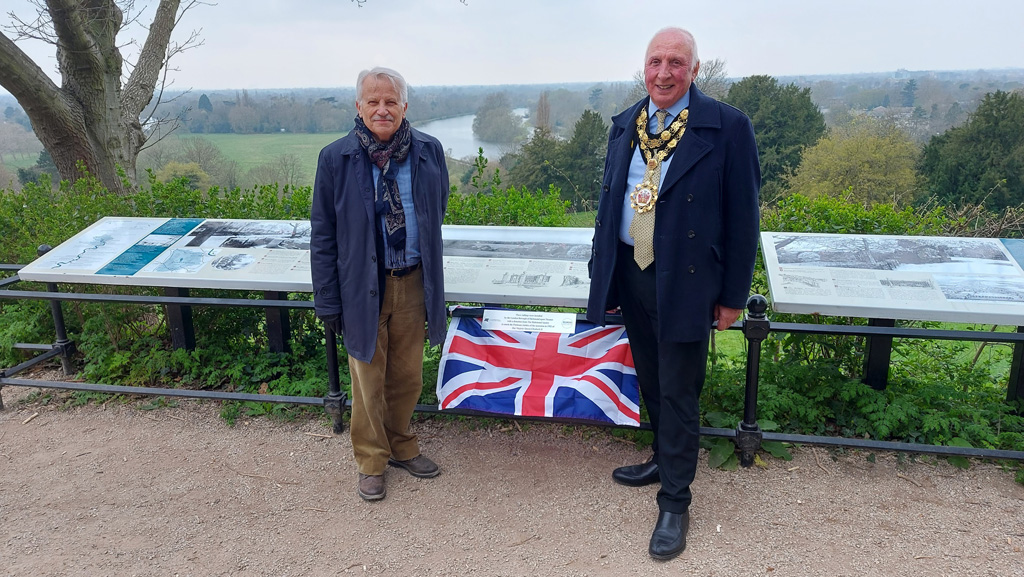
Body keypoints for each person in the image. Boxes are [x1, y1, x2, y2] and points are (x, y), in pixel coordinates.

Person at [586, 28, 761, 560]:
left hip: (687, 281)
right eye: (656, 62)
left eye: (676, 64)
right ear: (644, 67)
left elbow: (743, 218)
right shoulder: (625, 125)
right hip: (634, 272)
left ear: (695, 70)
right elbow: (608, 204)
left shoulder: (727, 127)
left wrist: (733, 296)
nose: (664, 73)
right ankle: (664, 457)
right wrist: (606, 275)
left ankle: (675, 502)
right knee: (652, 377)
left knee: (681, 389)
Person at [310, 67, 450, 502]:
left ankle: (402, 445)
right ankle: (372, 461)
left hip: (412, 282)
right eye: (373, 101)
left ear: (404, 106)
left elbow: (436, 212)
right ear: (359, 107)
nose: (382, 109)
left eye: (391, 101)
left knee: (407, 376)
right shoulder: (336, 158)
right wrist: (328, 302)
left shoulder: (429, 151)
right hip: (361, 288)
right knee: (367, 380)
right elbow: (323, 234)